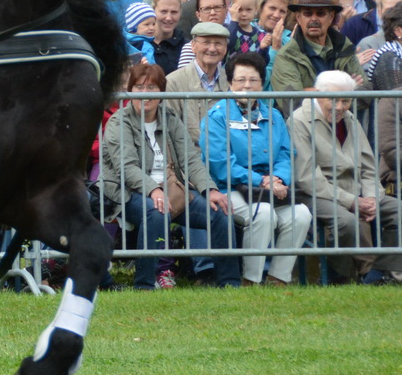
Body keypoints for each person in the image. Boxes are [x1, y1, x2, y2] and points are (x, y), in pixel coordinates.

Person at [99, 61, 235, 289]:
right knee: (155, 212)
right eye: (139, 88)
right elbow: (126, 166)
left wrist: (209, 190)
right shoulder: (119, 122)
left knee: (220, 211)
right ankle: (144, 284)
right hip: (126, 192)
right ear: (129, 91)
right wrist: (154, 190)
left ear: (162, 93)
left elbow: (190, 159)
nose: (145, 94)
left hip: (170, 190)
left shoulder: (170, 117)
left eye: (151, 88)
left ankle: (229, 283)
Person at [201, 52, 312, 285]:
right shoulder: (217, 116)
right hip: (230, 187)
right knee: (262, 213)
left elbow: (285, 153)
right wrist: (262, 181)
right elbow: (221, 164)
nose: (247, 86)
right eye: (240, 80)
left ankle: (278, 279)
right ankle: (251, 280)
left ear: (263, 82)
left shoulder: (273, 115)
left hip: (270, 187)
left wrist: (278, 179)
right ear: (230, 83)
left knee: (301, 214)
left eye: (253, 80)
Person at [289, 70, 402, 283]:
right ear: (318, 95)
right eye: (333, 100)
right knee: (349, 222)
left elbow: (369, 166)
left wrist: (371, 198)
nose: (340, 106)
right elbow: (307, 178)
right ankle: (361, 275)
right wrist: (352, 202)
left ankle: (382, 271)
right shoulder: (299, 121)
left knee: (398, 211)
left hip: (357, 190)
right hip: (316, 194)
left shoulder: (350, 119)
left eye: (346, 100)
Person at [268, 0, 361, 100]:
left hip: (346, 118)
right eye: (308, 14)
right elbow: (291, 101)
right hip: (305, 118)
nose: (314, 19)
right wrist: (345, 90)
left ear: (331, 17)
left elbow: (365, 93)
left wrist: (310, 91)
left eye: (320, 14)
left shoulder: (345, 47)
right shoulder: (286, 55)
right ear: (298, 18)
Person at [165, 21, 232, 127]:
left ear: (225, 49)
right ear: (193, 46)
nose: (212, 49)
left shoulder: (232, 80)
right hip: (189, 143)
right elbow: (170, 129)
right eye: (206, 42)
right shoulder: (173, 82)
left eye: (218, 43)